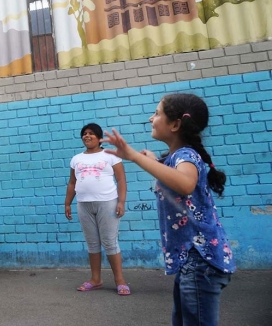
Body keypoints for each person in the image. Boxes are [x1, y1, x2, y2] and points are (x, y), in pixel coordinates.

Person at [101, 93, 235, 325]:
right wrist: (153, 160)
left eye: (157, 113)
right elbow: (173, 175)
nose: (151, 118)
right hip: (192, 261)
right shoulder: (175, 158)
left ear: (175, 124)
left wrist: (133, 155)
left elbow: (184, 183)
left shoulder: (186, 155)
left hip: (199, 261)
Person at [64, 123, 130, 296]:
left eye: (91, 133)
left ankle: (120, 281)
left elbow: (121, 180)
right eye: (84, 133)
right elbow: (72, 183)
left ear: (99, 138)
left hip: (107, 202)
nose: (87, 136)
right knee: (92, 243)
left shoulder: (110, 155)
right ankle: (96, 279)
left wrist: (121, 202)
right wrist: (68, 203)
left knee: (109, 242)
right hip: (84, 204)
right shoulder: (76, 159)